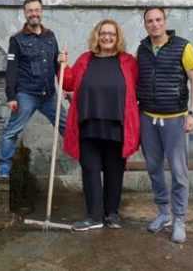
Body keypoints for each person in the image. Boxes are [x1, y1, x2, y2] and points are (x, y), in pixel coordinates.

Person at [58, 19, 140, 231]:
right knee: (90, 170)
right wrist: (63, 66)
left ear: (117, 37)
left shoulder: (128, 62)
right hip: (88, 124)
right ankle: (94, 215)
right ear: (97, 35)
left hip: (117, 125)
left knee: (114, 170)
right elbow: (68, 83)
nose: (107, 37)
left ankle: (112, 213)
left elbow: (141, 85)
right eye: (103, 33)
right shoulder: (86, 59)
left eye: (111, 34)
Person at [136, 7, 193, 243]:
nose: (154, 24)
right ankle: (163, 212)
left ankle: (179, 219)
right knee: (154, 170)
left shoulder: (183, 46)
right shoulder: (142, 49)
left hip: (175, 119)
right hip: (147, 118)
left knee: (178, 172)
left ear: (164, 22)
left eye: (158, 20)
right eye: (149, 21)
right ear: (145, 24)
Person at [0, 0, 67, 178]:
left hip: (49, 95)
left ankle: (85, 159)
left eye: (37, 10)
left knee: (68, 128)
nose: (34, 14)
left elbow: (56, 65)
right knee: (11, 131)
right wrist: (11, 96)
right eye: (30, 11)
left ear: (41, 12)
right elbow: (11, 70)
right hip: (26, 95)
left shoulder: (50, 36)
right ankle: (4, 166)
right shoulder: (17, 40)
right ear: (25, 14)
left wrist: (62, 68)